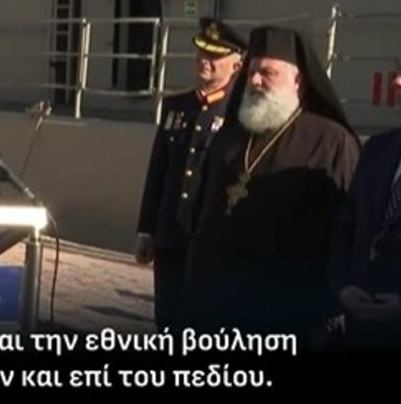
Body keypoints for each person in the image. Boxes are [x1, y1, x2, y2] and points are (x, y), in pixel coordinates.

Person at [183, 26, 359, 344]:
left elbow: (347, 232)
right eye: (251, 72)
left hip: (286, 311)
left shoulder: (331, 142)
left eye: (267, 73)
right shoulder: (231, 136)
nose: (254, 81)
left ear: (298, 81)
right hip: (215, 305)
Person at [134, 17, 246, 331]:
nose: (204, 60)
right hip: (171, 238)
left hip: (212, 243)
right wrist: (146, 230)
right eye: (201, 53)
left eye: (214, 55)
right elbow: (158, 171)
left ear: (236, 65)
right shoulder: (176, 107)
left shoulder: (241, 116)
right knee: (168, 322)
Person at [330, 40, 401, 349]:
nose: (398, 82)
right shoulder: (378, 149)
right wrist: (343, 287)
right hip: (359, 329)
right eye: (399, 71)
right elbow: (346, 227)